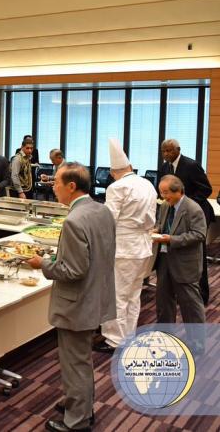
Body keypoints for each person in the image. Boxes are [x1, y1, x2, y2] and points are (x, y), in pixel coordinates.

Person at [26, 163, 115, 432]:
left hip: (77, 303)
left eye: (56, 183)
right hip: (95, 296)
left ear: (71, 186)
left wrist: (42, 263)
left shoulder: (75, 220)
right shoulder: (102, 210)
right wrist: (57, 257)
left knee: (75, 363)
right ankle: (80, 404)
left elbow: (73, 270)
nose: (52, 187)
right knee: (81, 360)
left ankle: (77, 421)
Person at [96, 140, 157, 353]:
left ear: (113, 172)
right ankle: (128, 335)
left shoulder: (117, 187)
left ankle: (114, 340)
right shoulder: (147, 184)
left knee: (117, 296)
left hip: (123, 248)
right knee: (133, 295)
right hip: (143, 247)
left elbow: (108, 220)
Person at [160, 139, 212, 305]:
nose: (166, 154)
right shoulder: (164, 168)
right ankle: (176, 292)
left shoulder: (191, 165)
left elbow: (206, 189)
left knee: (197, 254)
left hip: (195, 213)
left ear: (178, 150)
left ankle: (202, 295)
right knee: (176, 254)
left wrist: (186, 204)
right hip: (173, 215)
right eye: (163, 151)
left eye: (169, 151)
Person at [154, 175, 206, 325]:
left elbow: (199, 235)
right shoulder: (164, 206)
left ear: (179, 191)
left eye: (166, 192)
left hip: (185, 265)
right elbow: (161, 223)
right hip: (164, 261)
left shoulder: (193, 208)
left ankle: (196, 343)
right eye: (161, 192)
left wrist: (171, 240)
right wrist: (156, 229)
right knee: (163, 303)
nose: (163, 197)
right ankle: (165, 337)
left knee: (191, 307)